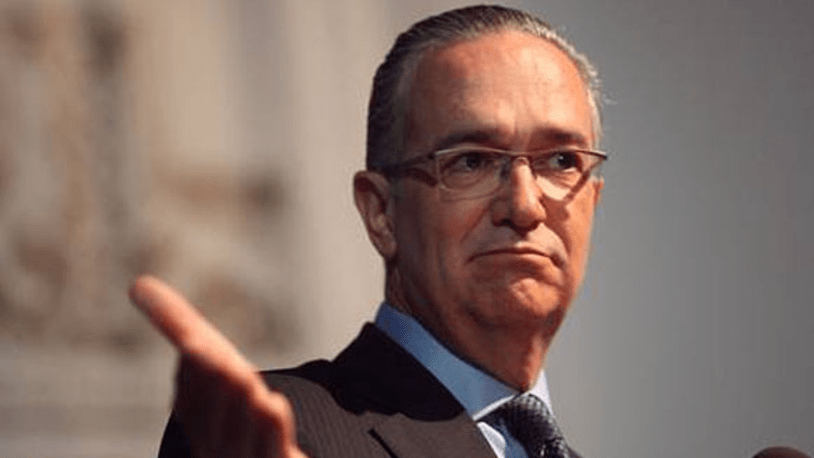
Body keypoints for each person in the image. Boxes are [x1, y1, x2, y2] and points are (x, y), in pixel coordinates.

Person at [129, 5, 607, 458]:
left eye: (561, 160)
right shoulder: (273, 432)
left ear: (593, 200)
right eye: (471, 162)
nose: (524, 205)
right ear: (381, 211)